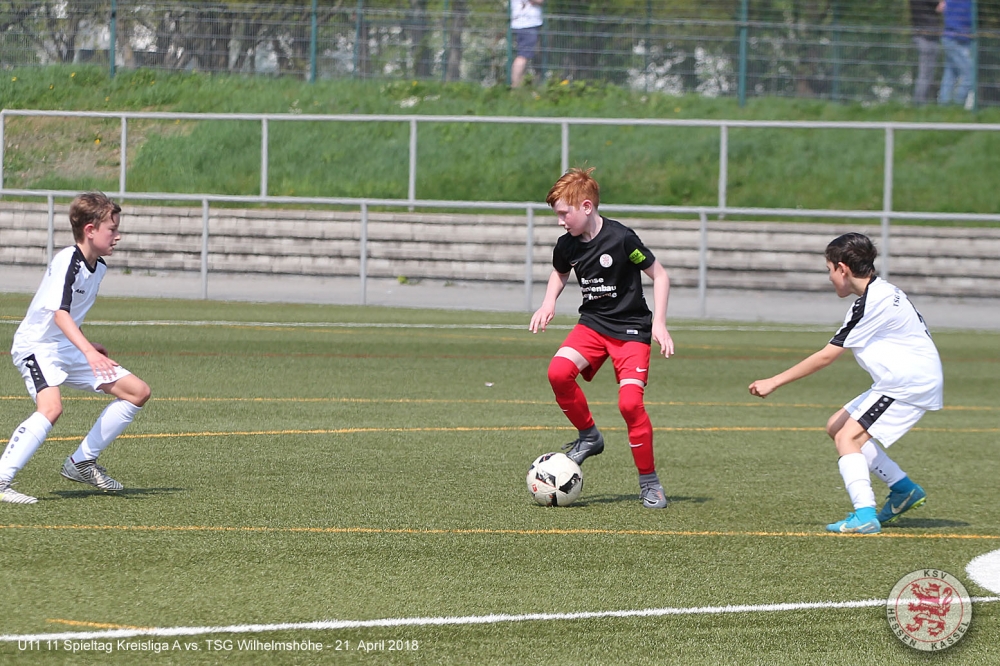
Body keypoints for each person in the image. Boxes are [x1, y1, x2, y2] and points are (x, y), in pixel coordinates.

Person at [748, 233, 943, 535]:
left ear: (842, 268)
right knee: (836, 426)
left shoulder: (871, 303)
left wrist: (774, 381)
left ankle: (864, 514)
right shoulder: (881, 292)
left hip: (907, 383)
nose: (829, 277)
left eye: (829, 270)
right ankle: (904, 489)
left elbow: (826, 356)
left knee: (847, 438)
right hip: (904, 378)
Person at [529, 168, 674, 509]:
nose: (560, 221)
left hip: (631, 330)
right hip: (593, 325)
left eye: (564, 214)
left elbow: (660, 275)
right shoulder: (567, 245)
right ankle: (589, 435)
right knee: (558, 372)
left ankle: (649, 482)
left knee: (630, 405)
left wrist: (660, 323)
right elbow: (559, 273)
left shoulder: (621, 239)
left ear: (587, 207)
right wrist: (548, 302)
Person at [0, 192, 151, 504]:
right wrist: (88, 352)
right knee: (51, 408)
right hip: (37, 345)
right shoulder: (68, 260)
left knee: (137, 392)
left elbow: (71, 315)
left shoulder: (99, 268)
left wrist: (85, 344)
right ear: (90, 230)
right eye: (112, 229)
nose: (118, 236)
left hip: (66, 346)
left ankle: (81, 462)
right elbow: (59, 313)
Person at [938, 0, 974, 106]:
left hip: (954, 38)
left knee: (950, 74)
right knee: (970, 74)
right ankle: (958, 104)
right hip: (955, 38)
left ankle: (944, 105)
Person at [909, 0, 941, 104]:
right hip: (927, 36)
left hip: (920, 34)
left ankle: (919, 103)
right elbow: (941, 7)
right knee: (926, 74)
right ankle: (919, 103)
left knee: (925, 73)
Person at [511, 0, 544, 87]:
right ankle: (515, 86)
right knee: (523, 56)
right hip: (527, 24)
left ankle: (520, 87)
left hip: (522, 22)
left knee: (524, 56)